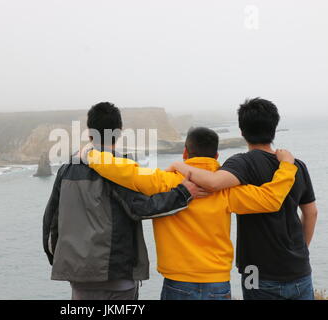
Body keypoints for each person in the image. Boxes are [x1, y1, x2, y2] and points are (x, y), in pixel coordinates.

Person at [86, 126, 298, 300]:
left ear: (185, 153)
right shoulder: (225, 190)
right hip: (217, 283)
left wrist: (90, 154)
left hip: (178, 283)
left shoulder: (164, 181)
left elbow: (125, 171)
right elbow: (271, 199)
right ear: (215, 155)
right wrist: (287, 167)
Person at [42, 102, 201, 300]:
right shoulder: (120, 168)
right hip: (117, 276)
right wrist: (183, 193)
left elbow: (50, 224)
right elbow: (143, 208)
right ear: (118, 133)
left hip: (79, 277)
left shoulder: (66, 170)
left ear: (89, 133)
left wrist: (63, 262)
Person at [168, 98, 318, 300]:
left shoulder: (242, 163)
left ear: (242, 131)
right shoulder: (296, 165)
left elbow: (212, 183)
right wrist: (301, 252)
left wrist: (179, 165)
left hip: (255, 271)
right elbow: (311, 213)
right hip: (299, 270)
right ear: (273, 128)